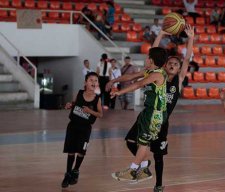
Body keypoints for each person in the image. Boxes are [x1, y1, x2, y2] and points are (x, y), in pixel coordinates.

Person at [107, 25, 194, 192]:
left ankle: (157, 183)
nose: (173, 65)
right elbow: (152, 55)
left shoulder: (177, 79)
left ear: (178, 68)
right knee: (132, 141)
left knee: (158, 155)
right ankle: (144, 166)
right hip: (148, 113)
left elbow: (187, 58)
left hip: (161, 119)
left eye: (176, 64)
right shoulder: (155, 72)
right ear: (164, 64)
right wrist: (160, 34)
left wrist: (191, 39)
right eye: (170, 62)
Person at [110, 46, 168, 182]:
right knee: (138, 141)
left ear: (151, 60)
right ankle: (143, 170)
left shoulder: (157, 74)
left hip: (155, 114)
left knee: (143, 143)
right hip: (147, 112)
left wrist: (119, 92)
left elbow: (138, 84)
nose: (145, 59)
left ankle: (132, 170)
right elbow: (131, 76)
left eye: (147, 57)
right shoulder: (149, 71)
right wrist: (114, 81)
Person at [61, 72, 103, 188]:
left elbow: (100, 114)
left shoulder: (97, 99)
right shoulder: (79, 93)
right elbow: (74, 104)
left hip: (85, 128)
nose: (93, 82)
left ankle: (76, 170)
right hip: (73, 126)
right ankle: (68, 173)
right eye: (91, 80)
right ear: (85, 82)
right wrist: (70, 105)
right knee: (71, 150)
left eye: (96, 80)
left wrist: (90, 111)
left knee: (81, 151)